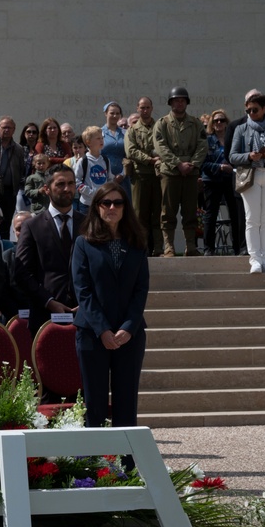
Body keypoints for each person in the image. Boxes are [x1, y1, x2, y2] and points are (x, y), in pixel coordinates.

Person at [71, 182, 149, 431]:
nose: (112, 207)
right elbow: (82, 290)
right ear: (97, 208)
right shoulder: (84, 243)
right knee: (95, 404)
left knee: (126, 402)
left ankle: (126, 466)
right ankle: (95, 466)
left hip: (129, 335)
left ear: (126, 208)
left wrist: (128, 327)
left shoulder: (137, 244)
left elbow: (141, 290)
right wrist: (102, 329)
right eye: (106, 203)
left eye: (118, 202)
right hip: (93, 334)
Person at [14, 163, 85, 335]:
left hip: (85, 315)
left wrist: (87, 302)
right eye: (60, 184)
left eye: (71, 183)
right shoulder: (32, 226)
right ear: (47, 189)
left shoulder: (88, 224)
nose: (67, 188)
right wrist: (49, 301)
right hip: (45, 316)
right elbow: (22, 273)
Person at [230, 93, 265, 273]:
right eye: (248, 110)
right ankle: (254, 259)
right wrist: (249, 156)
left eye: (255, 109)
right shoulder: (241, 129)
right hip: (250, 176)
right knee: (252, 220)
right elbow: (232, 156)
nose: (251, 113)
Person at [152, 87, 208, 256]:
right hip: (170, 173)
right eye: (176, 100)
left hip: (190, 173)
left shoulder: (196, 123)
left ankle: (191, 246)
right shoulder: (162, 123)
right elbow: (160, 147)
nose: (179, 103)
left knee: (190, 211)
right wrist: (178, 164)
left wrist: (192, 164)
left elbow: (202, 145)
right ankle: (169, 247)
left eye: (182, 100)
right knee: (168, 212)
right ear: (171, 103)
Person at [125, 97, 162, 255]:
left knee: (159, 214)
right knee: (140, 215)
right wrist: (149, 159)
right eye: (142, 108)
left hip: (159, 176)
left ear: (152, 108)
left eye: (147, 107)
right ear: (137, 109)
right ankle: (142, 249)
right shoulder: (132, 130)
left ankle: (160, 248)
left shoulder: (160, 127)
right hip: (140, 176)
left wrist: (159, 158)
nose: (145, 110)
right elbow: (130, 151)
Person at [201, 110, 241, 256]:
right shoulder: (206, 140)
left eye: (222, 120)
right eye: (216, 120)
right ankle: (209, 249)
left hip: (230, 180)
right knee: (211, 215)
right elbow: (202, 163)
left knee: (235, 214)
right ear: (211, 123)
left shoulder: (232, 139)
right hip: (212, 180)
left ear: (226, 122)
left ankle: (238, 247)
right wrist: (220, 167)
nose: (219, 123)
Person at [101, 101, 131, 200]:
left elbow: (129, 155)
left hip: (122, 177)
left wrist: (122, 174)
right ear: (105, 113)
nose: (115, 116)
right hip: (103, 176)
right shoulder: (99, 133)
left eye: (117, 113)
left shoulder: (126, 133)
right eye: (112, 113)